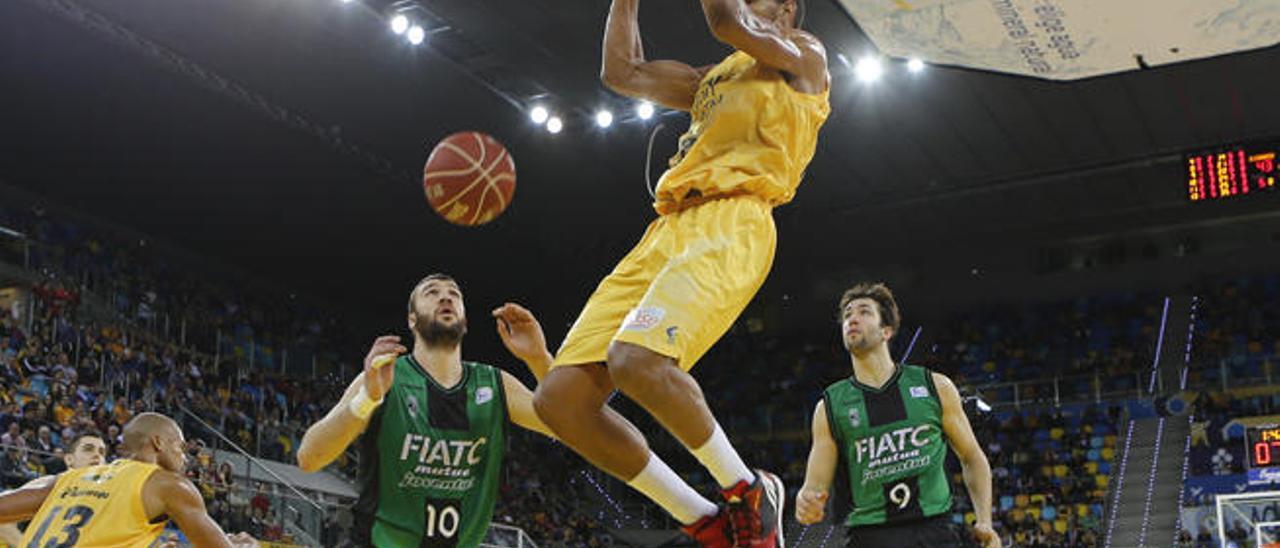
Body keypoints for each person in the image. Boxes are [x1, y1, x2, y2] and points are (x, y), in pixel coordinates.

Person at [531, 0, 829, 545]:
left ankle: (749, 491)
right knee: (559, 401)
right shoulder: (709, 80)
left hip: (734, 217)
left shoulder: (804, 57)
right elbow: (621, 72)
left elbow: (726, 20)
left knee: (636, 360)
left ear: (787, 7)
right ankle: (703, 519)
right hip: (666, 228)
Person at [296, 273, 557, 547]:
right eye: (432, 292)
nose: (445, 297)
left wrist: (539, 359)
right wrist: (367, 399)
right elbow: (308, 458)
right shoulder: (385, 377)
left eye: (454, 294)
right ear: (412, 319)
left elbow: (572, 426)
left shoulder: (495, 384)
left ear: (465, 319)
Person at [794, 283, 1001, 547]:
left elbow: (972, 456)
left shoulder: (935, 386)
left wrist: (984, 520)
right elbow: (815, 486)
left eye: (864, 312)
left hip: (935, 531)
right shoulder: (830, 406)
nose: (852, 319)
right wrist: (806, 500)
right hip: (870, 537)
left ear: (886, 331)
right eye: (847, 314)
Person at [0, 413, 257, 547]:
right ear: (158, 442)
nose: (184, 457)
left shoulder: (67, 478)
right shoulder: (170, 485)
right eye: (179, 447)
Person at [0, 432, 107, 545]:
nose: (97, 455)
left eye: (102, 452)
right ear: (69, 459)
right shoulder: (54, 483)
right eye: (88, 449)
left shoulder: (106, 490)